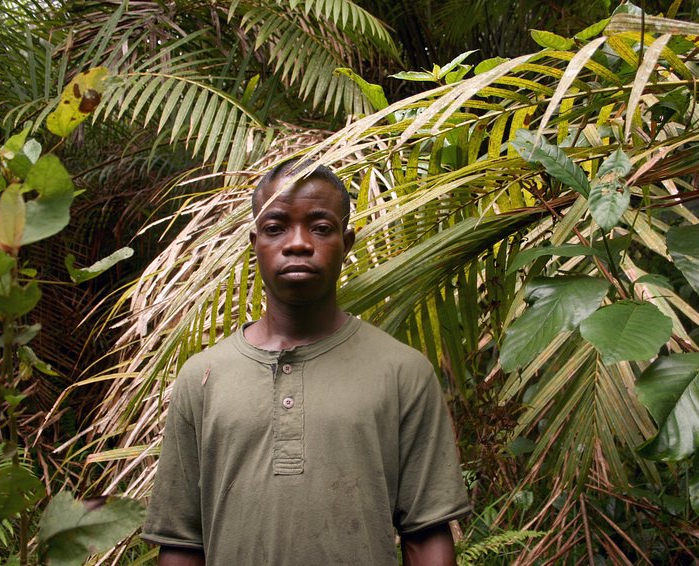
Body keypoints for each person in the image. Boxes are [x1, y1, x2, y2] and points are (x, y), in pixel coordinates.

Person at [141, 159, 471, 565]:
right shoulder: (203, 378)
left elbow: (426, 533)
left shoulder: (402, 372)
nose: (298, 243)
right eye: (276, 228)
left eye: (320, 227)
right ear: (255, 242)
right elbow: (181, 542)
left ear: (346, 243)